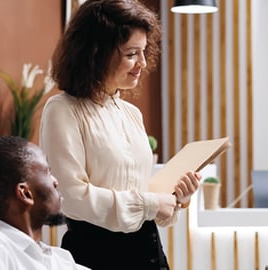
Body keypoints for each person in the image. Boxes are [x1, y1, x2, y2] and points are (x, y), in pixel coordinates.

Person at [39, 1, 201, 269]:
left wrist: (177, 198)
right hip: (95, 254)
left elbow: (139, 193)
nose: (143, 63)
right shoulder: (62, 110)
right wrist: (150, 204)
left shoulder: (131, 113)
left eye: (143, 52)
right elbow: (72, 197)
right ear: (96, 54)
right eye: (131, 54)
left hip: (149, 250)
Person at [0, 136, 89, 270]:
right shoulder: (0, 250)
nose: (55, 182)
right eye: (47, 172)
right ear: (26, 194)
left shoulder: (61, 259)